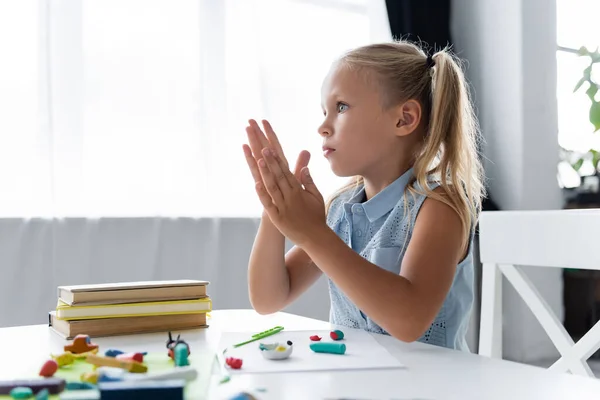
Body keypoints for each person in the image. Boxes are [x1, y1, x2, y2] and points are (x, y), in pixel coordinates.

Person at [242, 40, 485, 351]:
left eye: (341, 107)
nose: (323, 127)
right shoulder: (341, 209)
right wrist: (275, 209)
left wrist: (314, 235)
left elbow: (409, 320)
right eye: (324, 111)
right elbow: (268, 299)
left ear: (404, 118)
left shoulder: (439, 206)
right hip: (358, 382)